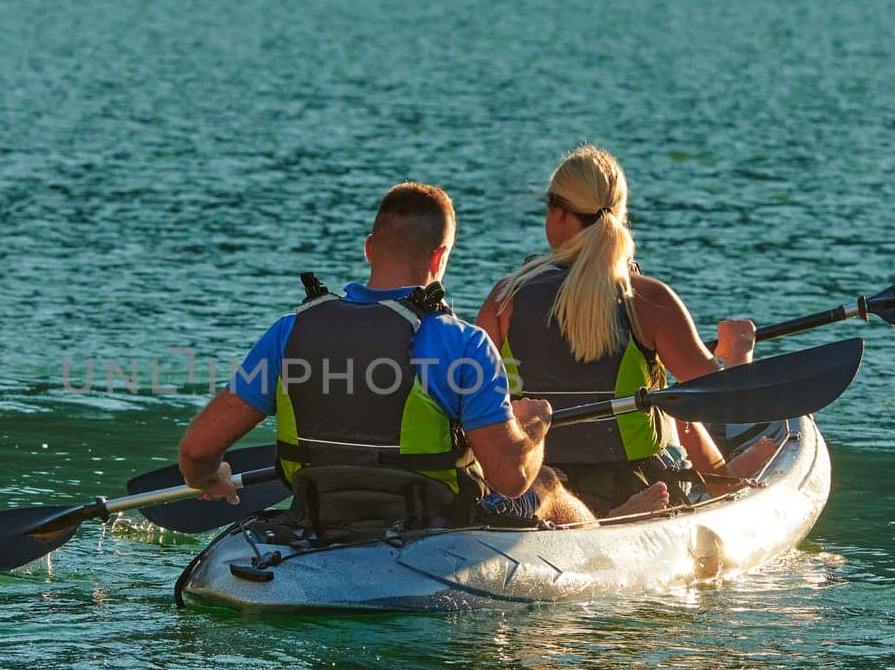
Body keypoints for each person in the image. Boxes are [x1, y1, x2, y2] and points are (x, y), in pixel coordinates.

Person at [177, 181, 664, 532]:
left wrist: (210, 478)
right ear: (440, 257)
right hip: (430, 527)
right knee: (549, 484)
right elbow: (511, 479)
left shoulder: (289, 332)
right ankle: (604, 530)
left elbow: (197, 451)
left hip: (320, 516)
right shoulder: (463, 345)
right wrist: (535, 425)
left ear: (370, 249)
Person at [476, 143, 776, 515]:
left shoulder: (504, 297)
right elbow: (724, 400)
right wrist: (739, 351)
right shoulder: (649, 299)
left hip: (531, 477)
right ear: (619, 214)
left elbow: (475, 398)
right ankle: (709, 482)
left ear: (557, 213)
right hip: (633, 481)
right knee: (674, 409)